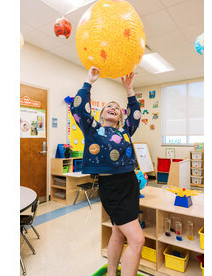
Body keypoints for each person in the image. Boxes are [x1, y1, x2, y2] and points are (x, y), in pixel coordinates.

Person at [70, 66, 144, 276]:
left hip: (130, 184)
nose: (113, 108)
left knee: (118, 233)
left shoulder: (125, 130)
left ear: (120, 117)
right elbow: (78, 109)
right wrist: (89, 82)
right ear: (101, 114)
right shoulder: (93, 128)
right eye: (109, 107)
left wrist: (129, 90)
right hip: (112, 188)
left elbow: (136, 115)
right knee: (138, 239)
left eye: (117, 108)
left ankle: (112, 273)